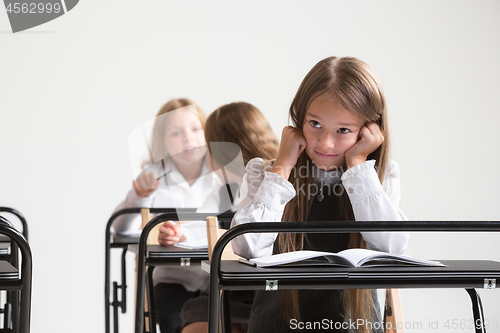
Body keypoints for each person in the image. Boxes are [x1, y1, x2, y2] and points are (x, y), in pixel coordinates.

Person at [231, 57, 410, 332]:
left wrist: (359, 167)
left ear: (368, 131)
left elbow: (391, 247)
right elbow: (246, 246)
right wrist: (282, 167)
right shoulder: (265, 173)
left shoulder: (377, 177)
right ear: (298, 119)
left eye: (343, 130)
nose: (326, 143)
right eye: (315, 124)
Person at [170, 102, 280, 333]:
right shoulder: (226, 189)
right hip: (234, 288)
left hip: (264, 291)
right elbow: (201, 222)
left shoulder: (277, 179)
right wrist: (182, 233)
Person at [112, 98, 219, 333]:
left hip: (215, 281)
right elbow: (121, 228)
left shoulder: (221, 176)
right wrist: (139, 194)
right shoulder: (153, 177)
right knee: (176, 322)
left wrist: (185, 234)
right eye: (176, 133)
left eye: (195, 129)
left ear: (207, 133)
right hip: (171, 282)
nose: (188, 138)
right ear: (162, 141)